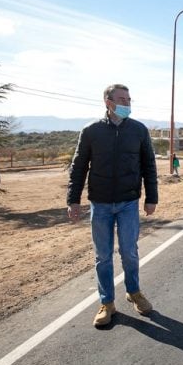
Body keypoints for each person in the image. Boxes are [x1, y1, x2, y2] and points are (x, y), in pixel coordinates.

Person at [67, 84, 158, 328]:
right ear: (108, 101)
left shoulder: (139, 130)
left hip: (129, 202)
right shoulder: (91, 131)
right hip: (101, 204)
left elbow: (149, 165)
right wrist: (73, 200)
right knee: (103, 256)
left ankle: (134, 292)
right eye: (122, 99)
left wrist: (152, 197)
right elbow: (78, 167)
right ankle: (106, 302)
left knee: (129, 251)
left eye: (129, 99)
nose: (127, 103)